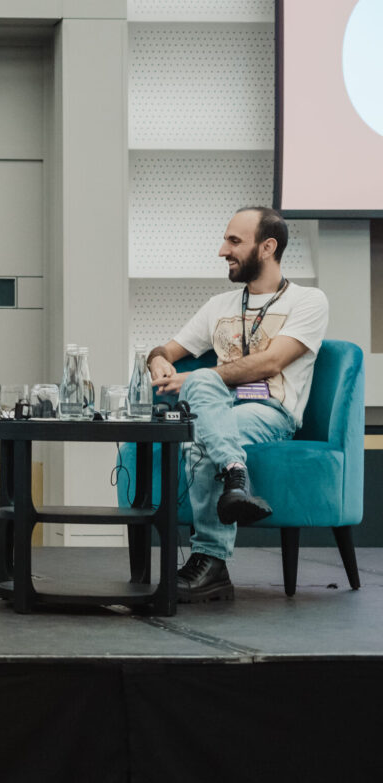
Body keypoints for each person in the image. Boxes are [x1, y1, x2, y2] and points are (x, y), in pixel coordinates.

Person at [147, 206, 328, 603]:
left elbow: (272, 361)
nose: (221, 251)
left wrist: (198, 378)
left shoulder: (308, 301)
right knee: (205, 408)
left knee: (200, 422)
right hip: (221, 409)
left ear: (267, 247)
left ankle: (210, 560)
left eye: (233, 241)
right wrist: (157, 360)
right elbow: (167, 349)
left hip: (270, 412)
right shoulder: (219, 305)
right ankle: (235, 477)